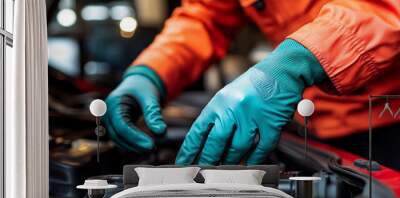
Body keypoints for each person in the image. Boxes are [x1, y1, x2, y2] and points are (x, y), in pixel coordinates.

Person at [103, 0, 400, 167]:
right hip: (309, 122)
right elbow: (206, 16)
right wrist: (150, 72)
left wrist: (297, 61)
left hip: (388, 118)